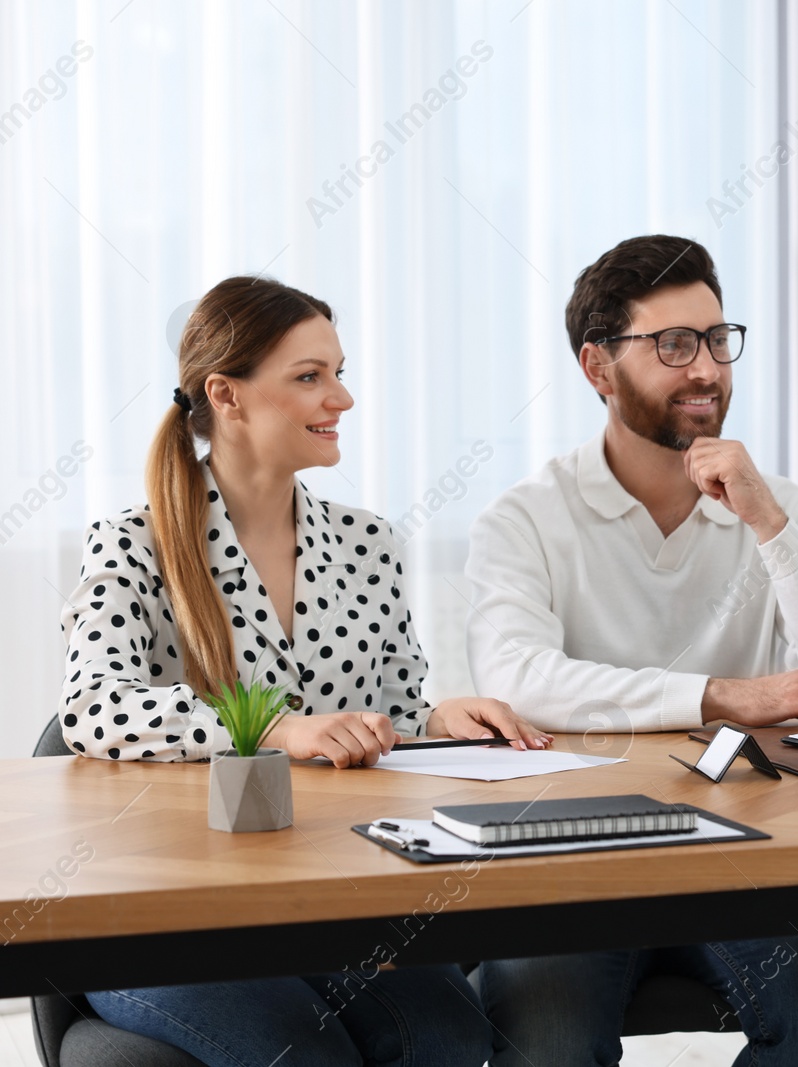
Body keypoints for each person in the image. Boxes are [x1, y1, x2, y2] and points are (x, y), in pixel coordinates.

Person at [58, 276, 545, 1066]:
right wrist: (273, 730)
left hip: (329, 902)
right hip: (162, 917)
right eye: (310, 376)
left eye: (339, 372)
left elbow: (390, 707)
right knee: (305, 1056)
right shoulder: (133, 541)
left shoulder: (368, 542)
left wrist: (436, 717)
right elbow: (92, 707)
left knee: (448, 1035)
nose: (342, 398)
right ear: (229, 395)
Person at [465, 235, 798, 1065]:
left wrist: (768, 522)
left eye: (716, 340)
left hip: (746, 863)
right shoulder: (524, 520)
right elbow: (520, 678)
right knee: (545, 1035)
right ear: (598, 367)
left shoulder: (782, 509)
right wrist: (725, 695)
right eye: (673, 345)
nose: (706, 369)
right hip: (569, 869)